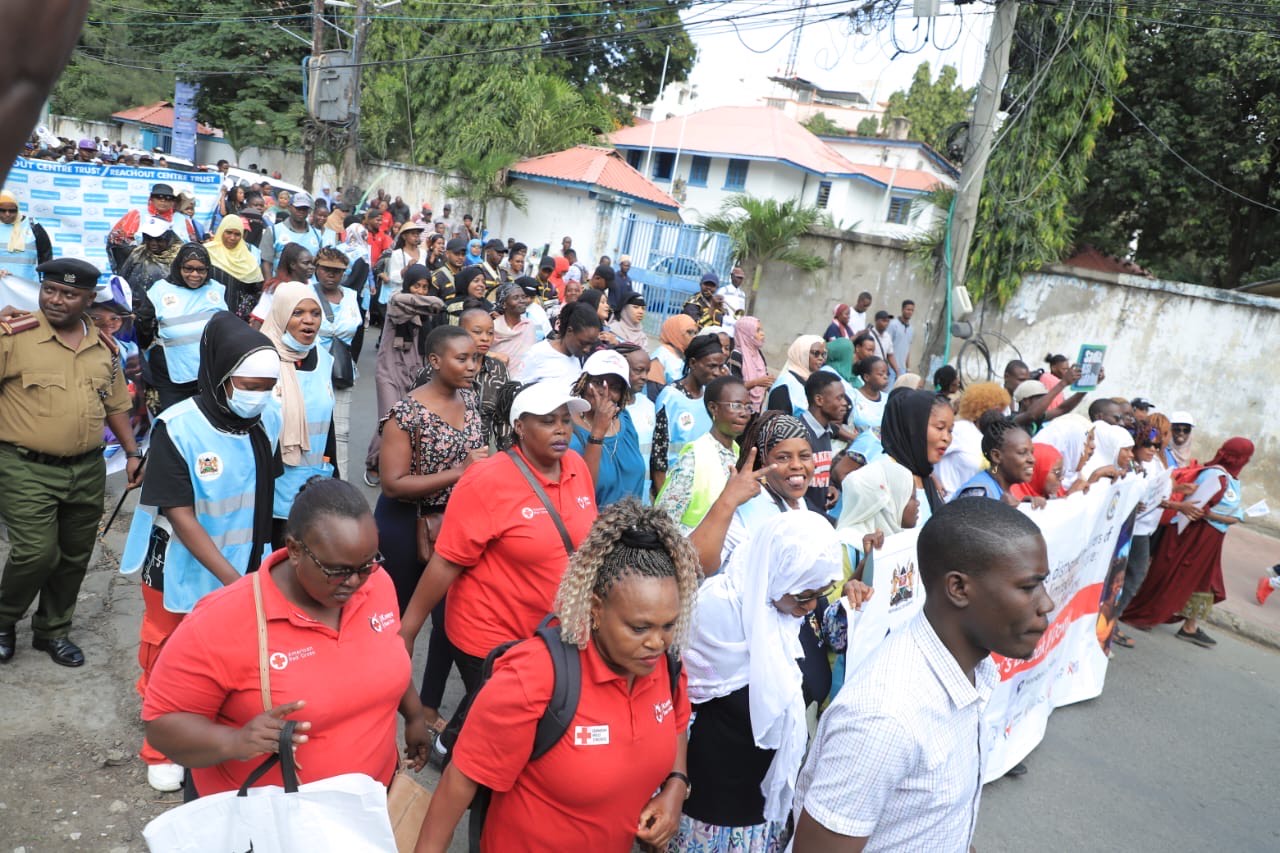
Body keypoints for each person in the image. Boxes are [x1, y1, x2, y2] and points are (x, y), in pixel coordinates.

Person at [415, 500, 698, 853]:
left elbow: (676, 722)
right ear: (595, 609)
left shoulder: (665, 666)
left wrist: (675, 785)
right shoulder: (533, 677)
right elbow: (459, 783)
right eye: (639, 627)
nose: (657, 642)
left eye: (668, 625)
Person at [791, 498, 1053, 853]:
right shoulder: (885, 719)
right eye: (1028, 587)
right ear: (958, 588)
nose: (1046, 603)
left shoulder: (974, 673)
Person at [141, 478, 431, 797]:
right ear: (294, 549)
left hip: (368, 808)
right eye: (336, 570)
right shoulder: (223, 620)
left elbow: (389, 653)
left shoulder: (377, 584)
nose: (354, 582)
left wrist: (414, 715)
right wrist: (234, 742)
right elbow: (161, 726)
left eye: (366, 565)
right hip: (274, 824)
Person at [120, 313, 282, 791]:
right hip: (179, 566)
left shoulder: (265, 416)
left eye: (269, 385)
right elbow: (180, 513)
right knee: (168, 653)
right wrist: (235, 581)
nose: (260, 394)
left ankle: (212, 728)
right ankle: (160, 747)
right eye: (251, 384)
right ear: (222, 375)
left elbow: (266, 490)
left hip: (246, 559)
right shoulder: (178, 427)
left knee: (228, 654)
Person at [399, 382, 597, 705]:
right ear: (520, 427)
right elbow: (447, 561)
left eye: (565, 419)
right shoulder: (487, 479)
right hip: (493, 641)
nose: (561, 429)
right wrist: (407, 630)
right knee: (504, 723)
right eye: (548, 421)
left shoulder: (576, 466)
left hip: (552, 634)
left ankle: (447, 743)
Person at [0, 259, 142, 669]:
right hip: (23, 466)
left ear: (88, 299)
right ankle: (4, 619)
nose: (56, 300)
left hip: (86, 468)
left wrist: (133, 453)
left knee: (75, 554)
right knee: (36, 552)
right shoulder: (14, 336)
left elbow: (116, 404)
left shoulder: (103, 347)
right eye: (50, 290)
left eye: (69, 294)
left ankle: (53, 631)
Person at [675, 511, 844, 852]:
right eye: (803, 595)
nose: (810, 605)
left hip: (766, 807)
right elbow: (677, 709)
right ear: (776, 574)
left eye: (819, 593)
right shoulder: (715, 615)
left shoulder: (791, 616)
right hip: (710, 811)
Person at [375, 326, 487, 734]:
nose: (472, 365)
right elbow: (393, 483)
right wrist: (459, 472)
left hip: (457, 525)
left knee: (450, 620)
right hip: (405, 527)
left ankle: (427, 705)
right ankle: (381, 699)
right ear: (435, 361)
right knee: (395, 619)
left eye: (475, 358)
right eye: (462, 358)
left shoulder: (472, 401)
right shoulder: (406, 413)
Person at [1123, 438, 1254, 648]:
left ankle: (1190, 626)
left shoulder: (1230, 478)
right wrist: (1229, 518)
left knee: (1205, 582)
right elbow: (1197, 508)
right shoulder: (1215, 475)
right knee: (1172, 576)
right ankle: (1141, 613)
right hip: (1193, 535)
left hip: (1210, 539)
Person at [688, 411, 815, 573]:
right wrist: (728, 500)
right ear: (763, 462)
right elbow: (693, 567)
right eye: (783, 457)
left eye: (805, 456)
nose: (797, 465)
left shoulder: (798, 502)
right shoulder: (746, 509)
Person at [258, 281, 337, 542]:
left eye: (315, 314)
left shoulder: (324, 359)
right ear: (281, 314)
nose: (309, 321)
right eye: (298, 313)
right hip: (267, 483)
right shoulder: (259, 358)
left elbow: (329, 425)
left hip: (312, 480)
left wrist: (333, 475)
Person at [365, 265, 444, 484]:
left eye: (424, 287)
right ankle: (373, 463)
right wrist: (434, 301)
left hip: (414, 375)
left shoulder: (426, 314)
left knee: (406, 422)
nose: (419, 291)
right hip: (388, 372)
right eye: (416, 285)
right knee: (390, 419)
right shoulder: (397, 303)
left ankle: (394, 464)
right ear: (407, 284)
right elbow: (430, 303)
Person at [135, 242, 228, 413]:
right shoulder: (160, 291)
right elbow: (143, 326)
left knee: (208, 419)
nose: (195, 274)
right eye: (188, 268)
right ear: (178, 267)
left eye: (201, 269)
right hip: (171, 372)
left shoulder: (217, 289)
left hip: (210, 372)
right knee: (176, 419)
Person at [657, 375, 752, 533]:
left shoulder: (738, 454)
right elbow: (664, 521)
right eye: (736, 405)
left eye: (748, 406)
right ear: (713, 408)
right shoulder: (694, 456)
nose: (744, 413)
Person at [652, 333, 727, 494]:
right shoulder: (671, 398)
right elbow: (659, 455)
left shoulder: (710, 395)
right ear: (693, 363)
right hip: (676, 489)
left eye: (721, 367)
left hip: (704, 487)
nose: (718, 372)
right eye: (712, 366)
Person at [569, 349, 646, 506]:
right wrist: (598, 430)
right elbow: (583, 493)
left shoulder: (625, 419)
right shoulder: (567, 429)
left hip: (631, 525)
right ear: (583, 382)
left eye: (615, 387)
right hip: (596, 528)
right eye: (598, 383)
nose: (605, 392)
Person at [312, 247, 362, 481]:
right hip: (309, 371)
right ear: (316, 269)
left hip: (342, 371)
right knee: (311, 429)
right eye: (326, 269)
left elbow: (358, 335)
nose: (331, 275)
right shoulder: (304, 293)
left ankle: (341, 485)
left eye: (338, 271)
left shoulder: (351, 296)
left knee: (341, 432)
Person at [880, 389, 955, 525]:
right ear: (913, 426)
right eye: (940, 427)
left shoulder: (926, 478)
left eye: (950, 431)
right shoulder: (883, 476)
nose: (947, 438)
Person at [933, 381, 1010, 498]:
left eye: (1002, 411)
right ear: (980, 408)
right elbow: (926, 454)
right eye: (996, 410)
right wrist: (932, 479)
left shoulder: (990, 438)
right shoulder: (961, 430)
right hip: (949, 500)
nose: (1000, 415)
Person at [954, 412, 1042, 507]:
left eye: (1031, 452)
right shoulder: (977, 493)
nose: (1032, 459)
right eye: (1022, 452)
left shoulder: (1003, 490)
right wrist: (1000, 510)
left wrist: (1024, 508)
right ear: (996, 456)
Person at [108, 182, 196, 269]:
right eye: (159, 197)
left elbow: (192, 244)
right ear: (151, 199)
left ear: (173, 201)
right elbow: (116, 241)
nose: (163, 201)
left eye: (168, 198)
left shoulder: (181, 219)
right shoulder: (136, 215)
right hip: (140, 266)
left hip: (174, 267)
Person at [521, 301, 602, 393]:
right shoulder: (536, 354)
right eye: (583, 343)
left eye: (591, 344)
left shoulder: (582, 359)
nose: (587, 349)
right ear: (569, 331)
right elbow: (517, 391)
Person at [801, 370, 849, 516]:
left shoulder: (825, 432)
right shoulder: (799, 434)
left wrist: (829, 486)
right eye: (839, 398)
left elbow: (817, 476)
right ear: (819, 400)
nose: (845, 403)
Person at [206, 214, 266, 322]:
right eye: (228, 232)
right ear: (221, 231)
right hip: (208, 313)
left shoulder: (248, 258)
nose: (232, 238)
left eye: (237, 234)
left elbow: (256, 290)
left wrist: (244, 309)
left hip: (237, 318)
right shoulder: (207, 252)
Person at [117, 218, 180, 309]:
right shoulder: (138, 253)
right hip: (134, 309)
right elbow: (122, 280)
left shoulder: (179, 258)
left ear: (169, 239)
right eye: (149, 238)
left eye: (158, 239)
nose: (153, 243)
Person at [249, 242, 315, 327]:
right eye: (306, 263)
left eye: (312, 263)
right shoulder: (275, 288)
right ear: (293, 265)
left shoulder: (312, 286)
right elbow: (258, 320)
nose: (311, 267)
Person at [0, 190, 52, 285]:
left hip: (26, 287)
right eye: (2, 210)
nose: (7, 214)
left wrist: (46, 281)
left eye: (12, 210)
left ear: (18, 208)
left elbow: (46, 256)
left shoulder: (32, 225)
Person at [767, 335, 826, 416]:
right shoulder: (785, 386)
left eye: (824, 354)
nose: (821, 358)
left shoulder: (811, 383)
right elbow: (776, 423)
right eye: (816, 353)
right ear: (801, 354)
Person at [728, 316, 775, 413]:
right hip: (739, 410)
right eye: (757, 331)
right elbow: (733, 387)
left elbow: (764, 378)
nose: (762, 334)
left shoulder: (758, 354)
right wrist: (756, 383)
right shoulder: (736, 356)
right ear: (746, 334)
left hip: (756, 409)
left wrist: (769, 382)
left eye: (761, 330)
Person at [490, 281, 536, 378]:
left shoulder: (529, 325)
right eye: (516, 298)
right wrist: (494, 355)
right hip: (498, 382)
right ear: (504, 304)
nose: (522, 300)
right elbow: (477, 351)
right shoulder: (493, 327)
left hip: (525, 382)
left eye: (523, 297)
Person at [384, 220, 426, 308]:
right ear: (404, 236)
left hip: (420, 296)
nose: (416, 236)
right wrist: (407, 268)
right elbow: (393, 277)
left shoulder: (423, 253)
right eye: (412, 233)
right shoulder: (397, 254)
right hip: (401, 297)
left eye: (417, 234)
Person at [649, 314, 699, 388]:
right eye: (689, 332)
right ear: (675, 332)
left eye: (695, 333)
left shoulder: (685, 354)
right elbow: (653, 393)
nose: (694, 337)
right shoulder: (660, 357)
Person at [849, 356, 889, 439]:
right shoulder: (853, 396)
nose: (885, 377)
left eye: (887, 374)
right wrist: (854, 438)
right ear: (867, 377)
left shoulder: (888, 399)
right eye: (880, 374)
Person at [886, 300, 914, 371]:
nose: (910, 312)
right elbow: (886, 345)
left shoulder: (911, 329)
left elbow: (907, 349)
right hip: (890, 367)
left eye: (912, 310)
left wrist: (908, 368)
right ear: (902, 309)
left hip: (902, 369)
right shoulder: (893, 325)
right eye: (908, 309)